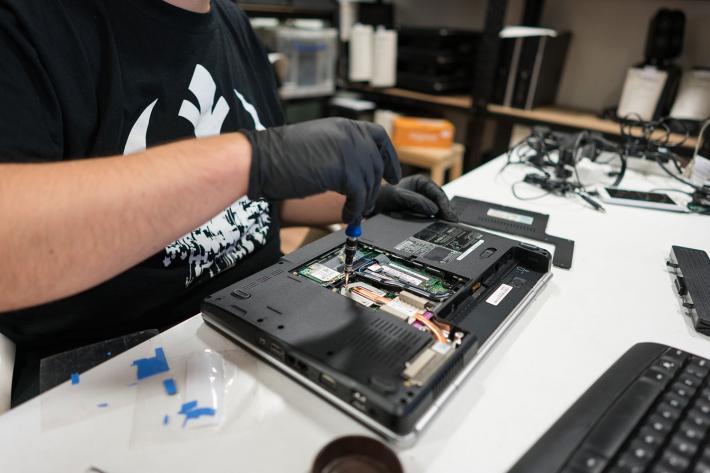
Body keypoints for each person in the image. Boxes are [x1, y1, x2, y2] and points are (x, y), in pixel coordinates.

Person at [0, 0, 458, 404]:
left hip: (261, 322)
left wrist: (367, 197)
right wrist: (250, 159)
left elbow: (261, 200)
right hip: (116, 371)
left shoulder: (232, 23)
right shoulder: (31, 21)